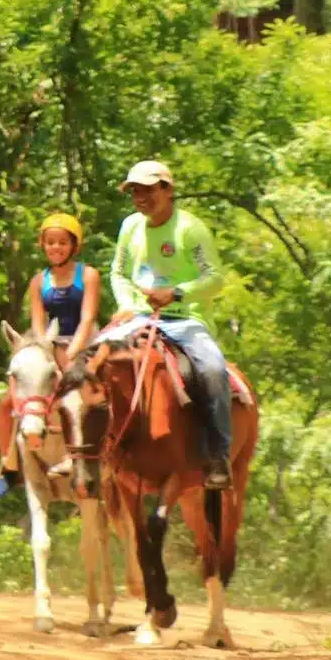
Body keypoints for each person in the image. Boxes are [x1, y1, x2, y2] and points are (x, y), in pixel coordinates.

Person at [79, 160, 234, 489]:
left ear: (168, 190)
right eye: (135, 191)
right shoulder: (130, 226)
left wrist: (176, 294)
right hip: (135, 317)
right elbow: (119, 273)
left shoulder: (190, 229)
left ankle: (218, 454)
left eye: (148, 190)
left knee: (211, 370)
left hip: (184, 320)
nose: (140, 197)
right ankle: (86, 455)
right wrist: (125, 305)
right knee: (84, 364)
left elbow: (216, 277)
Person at [0, 213, 103, 485]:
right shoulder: (38, 281)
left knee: (76, 394)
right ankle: (8, 459)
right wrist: (44, 353)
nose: (56, 247)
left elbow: (88, 318)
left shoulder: (88, 275)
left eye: (62, 242)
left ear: (74, 245)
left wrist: (71, 354)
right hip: (50, 345)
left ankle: (74, 454)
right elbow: (37, 322)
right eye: (50, 242)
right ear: (42, 245)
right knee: (9, 399)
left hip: (86, 343)